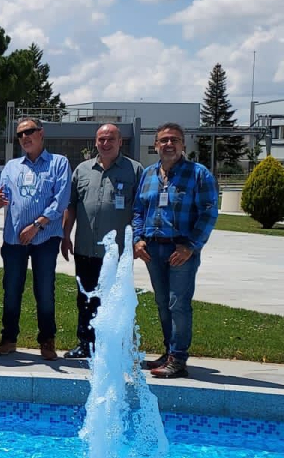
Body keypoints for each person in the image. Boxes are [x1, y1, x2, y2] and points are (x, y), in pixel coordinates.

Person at [132, 122, 218, 379]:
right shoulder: (148, 174)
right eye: (164, 140)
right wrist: (138, 239)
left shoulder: (198, 174)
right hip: (153, 249)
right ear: (156, 145)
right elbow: (138, 210)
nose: (169, 144)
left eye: (175, 140)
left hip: (181, 250)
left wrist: (191, 246)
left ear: (183, 145)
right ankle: (169, 351)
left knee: (178, 304)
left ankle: (178, 359)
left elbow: (209, 213)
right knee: (162, 303)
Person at [61, 123, 143, 359]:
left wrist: (138, 240)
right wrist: (66, 236)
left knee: (116, 300)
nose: (105, 144)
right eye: (101, 139)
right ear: (95, 142)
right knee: (86, 298)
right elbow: (72, 205)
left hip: (117, 253)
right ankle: (85, 343)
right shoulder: (83, 170)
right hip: (85, 247)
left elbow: (140, 210)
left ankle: (114, 348)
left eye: (110, 139)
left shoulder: (134, 170)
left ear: (120, 142)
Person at [0, 117, 71, 361]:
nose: (25, 137)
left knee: (44, 291)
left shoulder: (58, 163)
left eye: (30, 131)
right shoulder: (12, 166)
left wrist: (36, 226)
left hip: (45, 238)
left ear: (41, 133)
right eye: (20, 134)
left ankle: (47, 340)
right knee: (11, 290)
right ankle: (9, 339)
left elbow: (61, 200)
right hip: (15, 240)